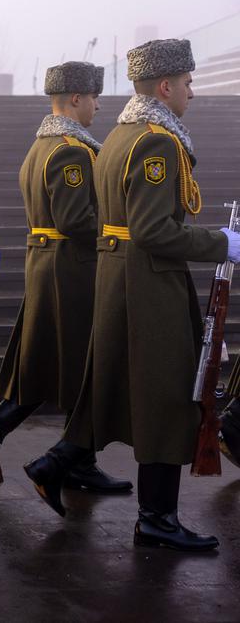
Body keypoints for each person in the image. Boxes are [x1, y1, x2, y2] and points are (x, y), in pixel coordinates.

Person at [24, 39, 240, 552]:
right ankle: (157, 519)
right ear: (165, 87)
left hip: (118, 276)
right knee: (165, 397)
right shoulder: (158, 141)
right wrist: (221, 244)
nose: (192, 91)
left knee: (116, 387)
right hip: (149, 282)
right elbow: (152, 230)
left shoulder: (120, 134)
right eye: (187, 83)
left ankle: (55, 464)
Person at [0, 61, 131, 493]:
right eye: (92, 97)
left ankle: (77, 462)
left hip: (50, 263)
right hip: (72, 269)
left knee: (61, 363)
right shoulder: (71, 150)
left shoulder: (43, 145)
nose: (97, 105)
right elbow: (75, 219)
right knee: (79, 363)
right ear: (75, 98)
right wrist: (119, 234)